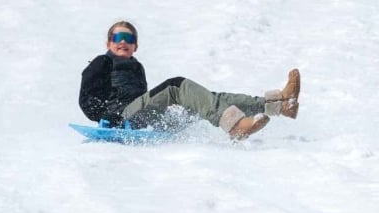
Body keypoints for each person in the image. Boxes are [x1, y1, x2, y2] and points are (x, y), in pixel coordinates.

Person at [78, 20, 300, 140]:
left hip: (140, 118)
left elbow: (142, 98)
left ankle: (281, 104)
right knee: (176, 85)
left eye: (129, 38)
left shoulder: (137, 67)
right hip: (121, 118)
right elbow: (87, 98)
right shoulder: (101, 63)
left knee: (206, 99)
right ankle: (234, 126)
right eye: (118, 37)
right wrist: (106, 118)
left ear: (135, 45)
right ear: (108, 43)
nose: (123, 42)